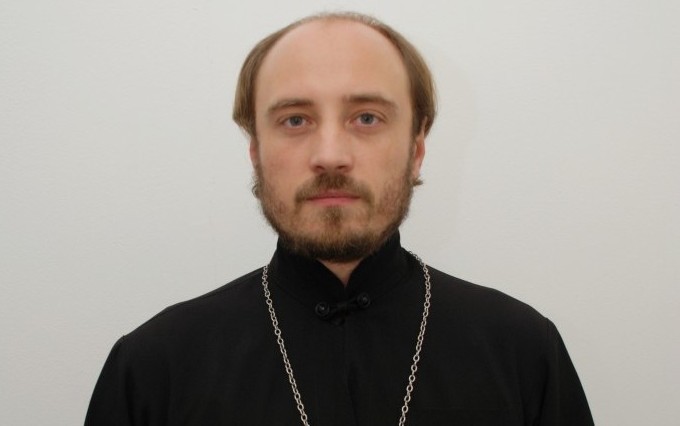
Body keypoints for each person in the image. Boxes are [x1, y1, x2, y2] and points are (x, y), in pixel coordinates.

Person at [85, 12, 594, 426]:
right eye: (295, 120)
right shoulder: (152, 370)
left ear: (416, 150)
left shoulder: (525, 354)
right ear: (256, 152)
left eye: (367, 118)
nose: (330, 155)